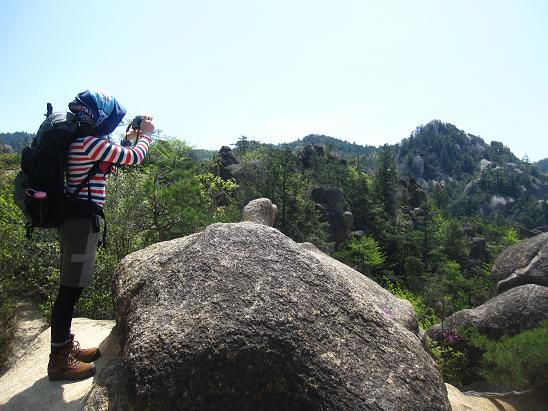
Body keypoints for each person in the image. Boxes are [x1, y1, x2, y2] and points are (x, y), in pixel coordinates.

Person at [47, 89, 154, 381]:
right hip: (80, 225)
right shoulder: (90, 144)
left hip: (78, 222)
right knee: (70, 290)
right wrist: (146, 135)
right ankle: (58, 359)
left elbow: (111, 153)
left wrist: (130, 136)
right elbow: (133, 158)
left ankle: (65, 346)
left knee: (72, 286)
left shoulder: (83, 141)